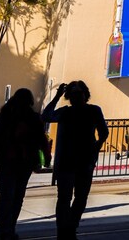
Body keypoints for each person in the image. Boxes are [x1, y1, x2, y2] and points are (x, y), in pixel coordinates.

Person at [42, 81, 109, 240]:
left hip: (82, 162)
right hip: (69, 162)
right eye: (74, 94)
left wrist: (95, 148)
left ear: (85, 95)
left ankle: (69, 227)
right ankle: (65, 230)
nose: (77, 97)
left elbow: (103, 132)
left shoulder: (92, 111)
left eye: (79, 93)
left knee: (78, 197)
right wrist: (57, 96)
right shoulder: (67, 112)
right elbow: (46, 116)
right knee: (67, 198)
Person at [0, 88, 50, 240]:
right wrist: (47, 156)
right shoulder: (32, 119)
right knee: (17, 197)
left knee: (7, 197)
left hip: (7, 163)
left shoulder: (5, 118)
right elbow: (42, 140)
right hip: (22, 163)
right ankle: (9, 229)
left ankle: (5, 230)